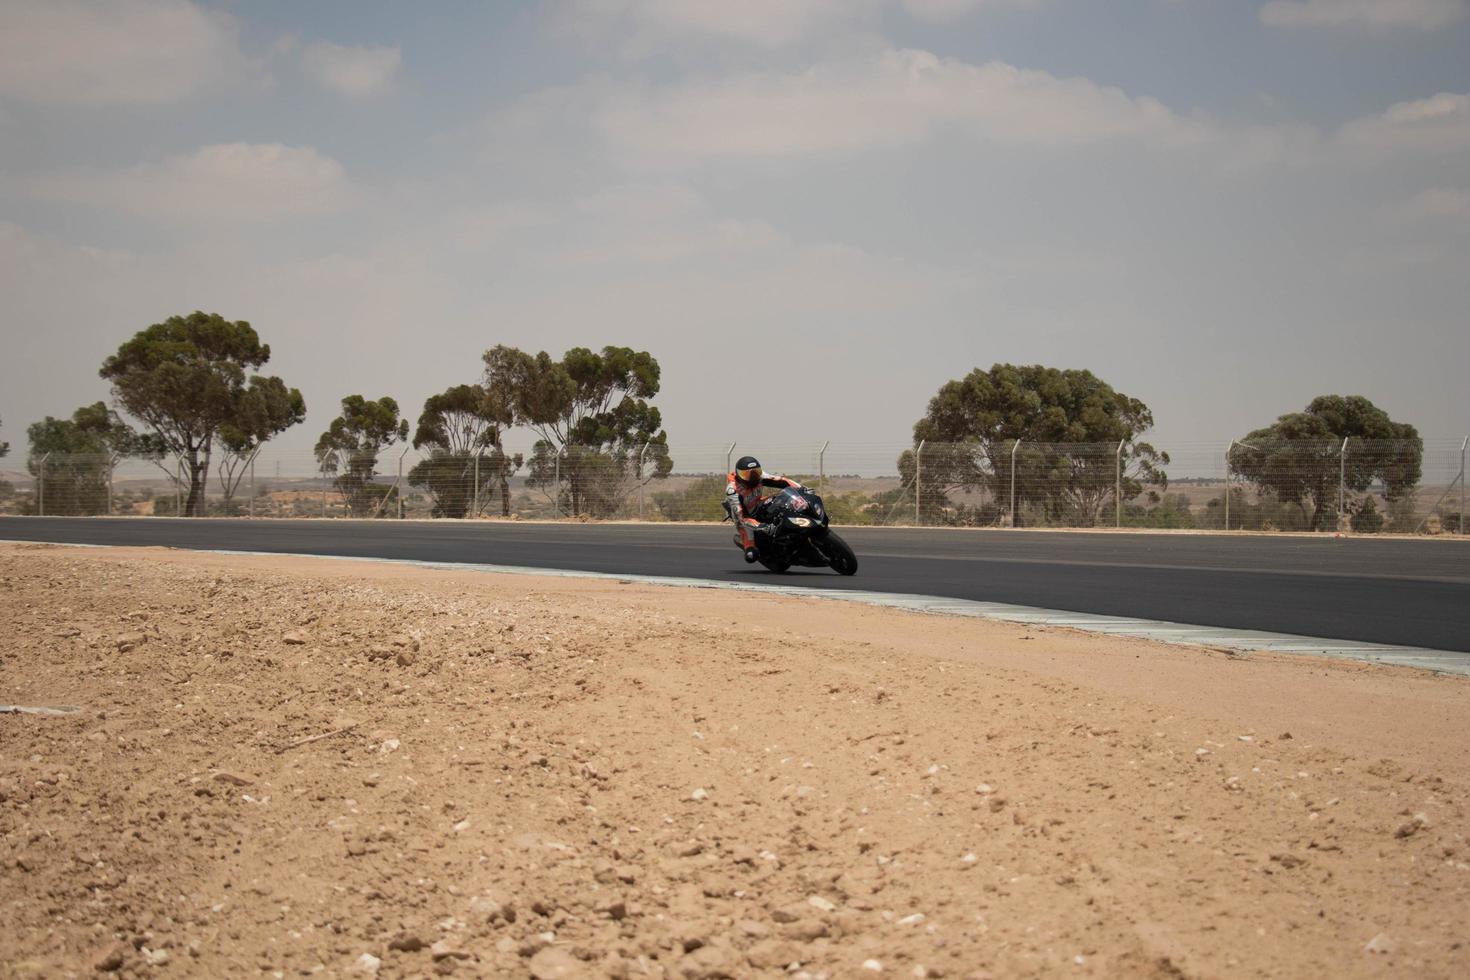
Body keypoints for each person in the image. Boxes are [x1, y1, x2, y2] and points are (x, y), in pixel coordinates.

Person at [725, 455, 803, 562]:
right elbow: (742, 517)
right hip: (745, 517)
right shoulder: (733, 490)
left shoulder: (760, 476)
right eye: (747, 474)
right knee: (751, 556)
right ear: (739, 474)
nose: (753, 477)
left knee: (782, 498)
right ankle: (749, 546)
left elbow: (781, 481)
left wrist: (801, 489)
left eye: (756, 472)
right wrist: (762, 526)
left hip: (758, 504)